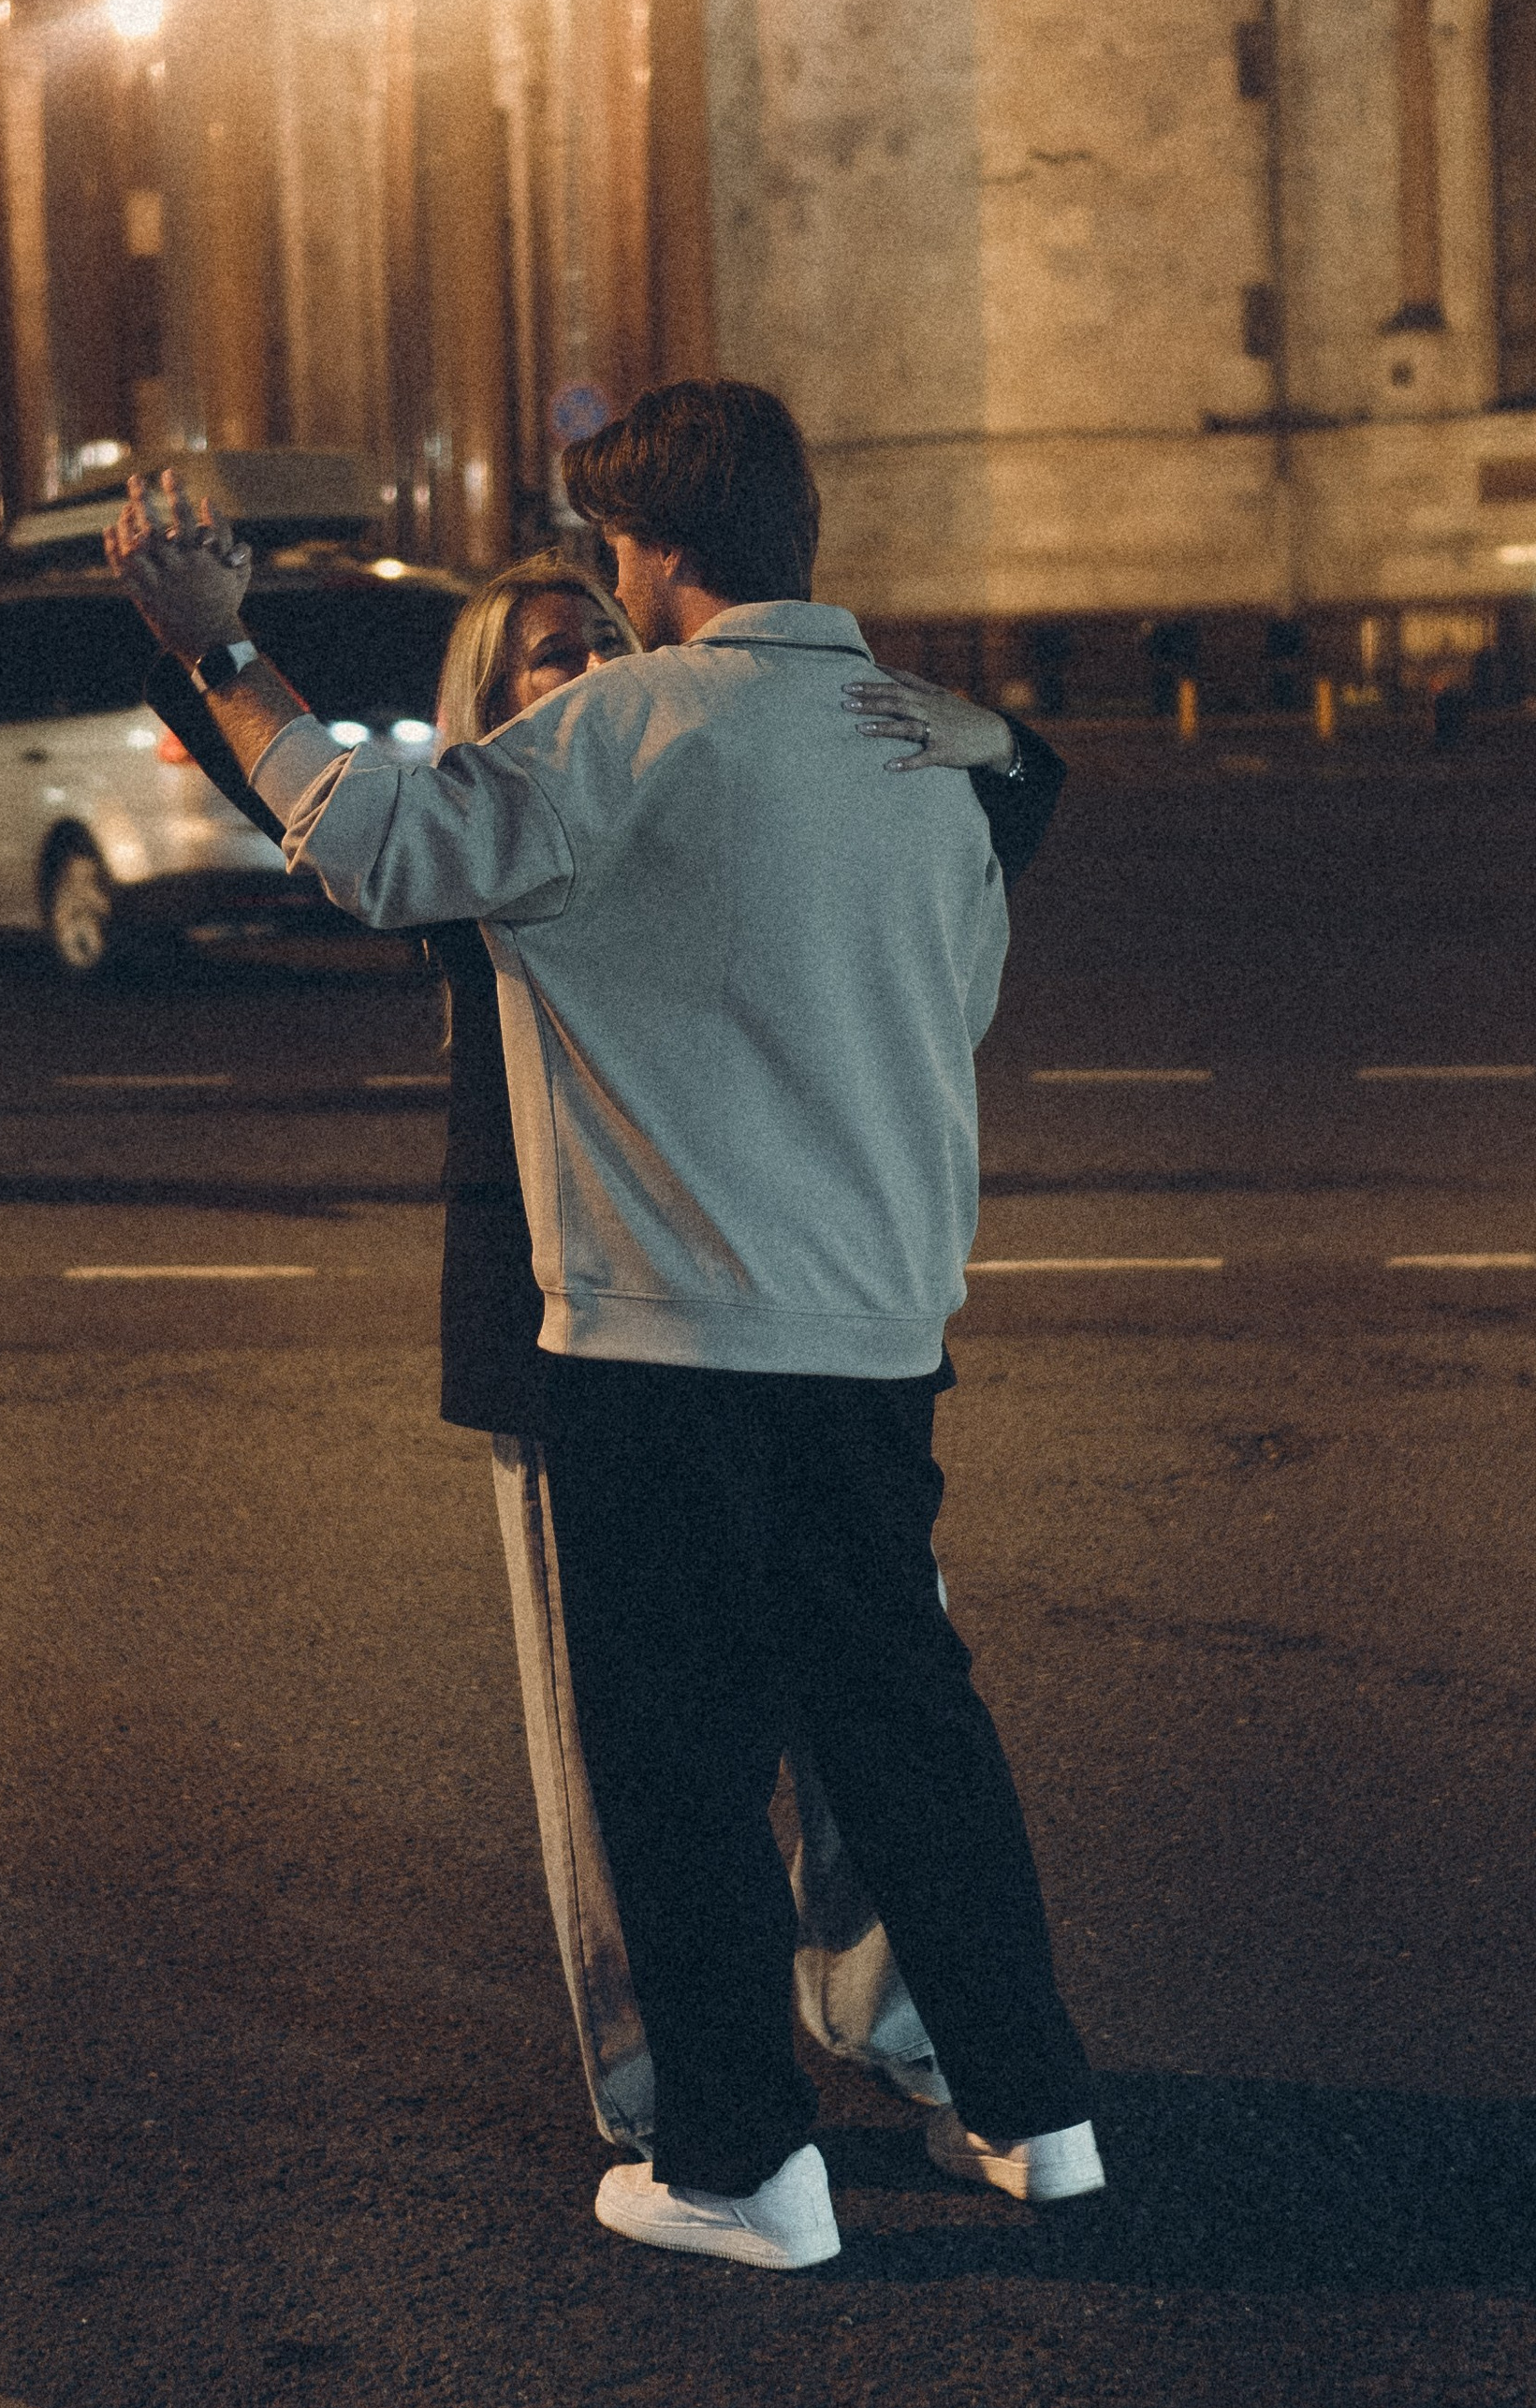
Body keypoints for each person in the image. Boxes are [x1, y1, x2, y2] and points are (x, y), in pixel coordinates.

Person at [110, 381, 1097, 2273]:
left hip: (668, 1344)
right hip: (878, 1330)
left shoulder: (624, 728)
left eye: (614, 558)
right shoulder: (920, 762)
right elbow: (948, 1005)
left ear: (655, 551)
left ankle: (742, 2162)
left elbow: (366, 834)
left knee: (677, 1762)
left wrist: (215, 640)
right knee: (909, 1736)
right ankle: (1034, 2112)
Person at [430, 553, 1065, 2163]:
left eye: (603, 643)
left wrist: (993, 737)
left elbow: (1000, 815)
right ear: (483, 714)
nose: (579, 675)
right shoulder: (503, 842)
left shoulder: (685, 788)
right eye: (538, 665)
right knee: (635, 1767)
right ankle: (672, 2086)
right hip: (583, 1352)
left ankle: (897, 2029)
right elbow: (336, 826)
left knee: (865, 1727)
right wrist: (201, 647)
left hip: (776, 1334)